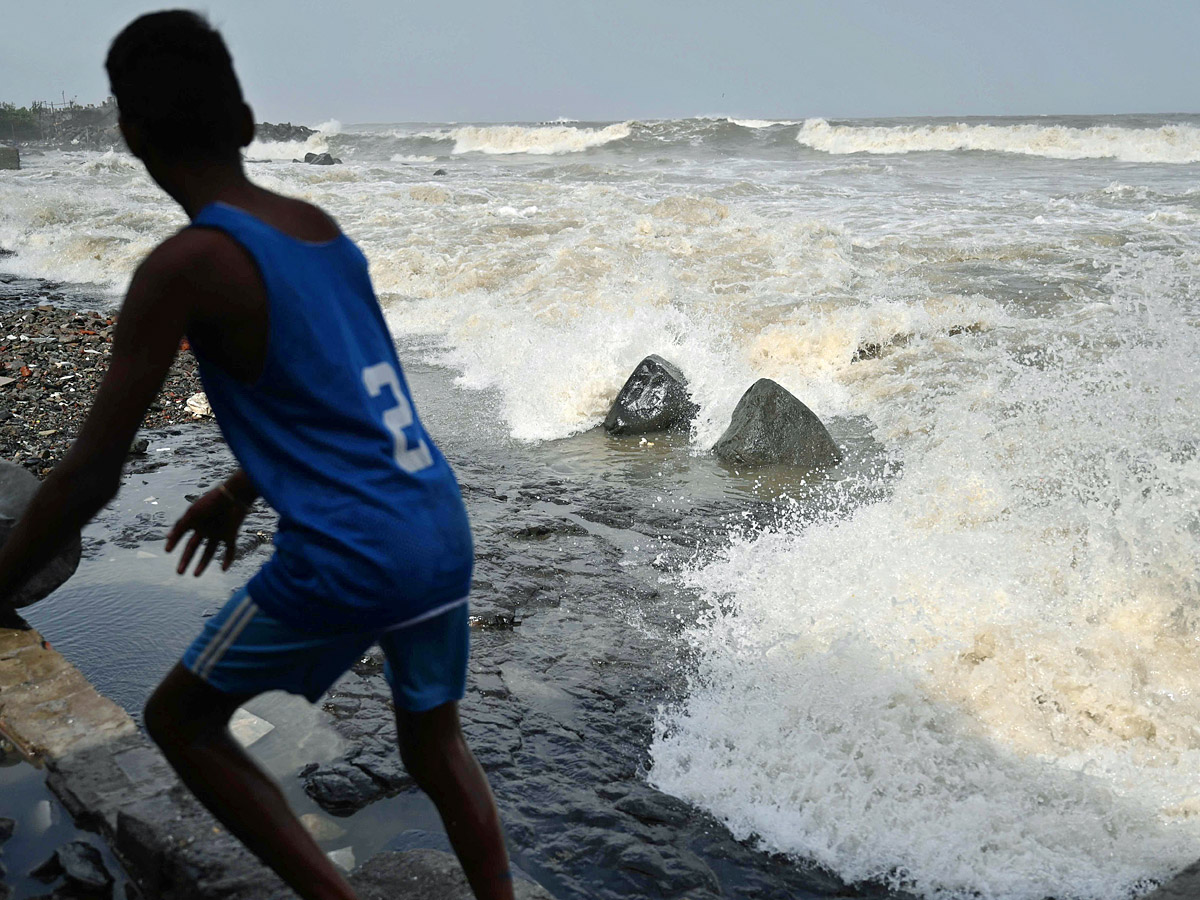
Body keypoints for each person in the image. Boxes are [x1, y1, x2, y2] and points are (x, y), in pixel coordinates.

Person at [0, 11, 514, 900]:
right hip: (436, 519)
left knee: (181, 719)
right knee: (435, 743)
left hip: (353, 549)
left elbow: (91, 472)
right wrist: (242, 488)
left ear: (131, 133)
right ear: (243, 121)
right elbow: (352, 393)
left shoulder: (189, 263)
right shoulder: (318, 228)